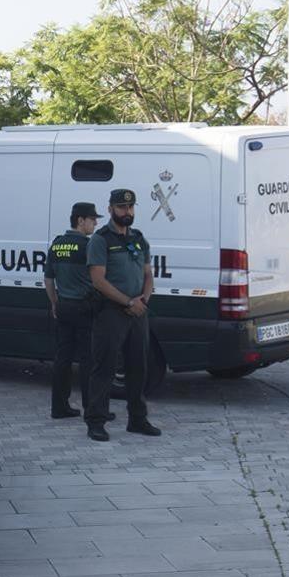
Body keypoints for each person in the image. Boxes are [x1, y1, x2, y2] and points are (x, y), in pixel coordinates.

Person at [85, 189, 161, 442]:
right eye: (121, 207)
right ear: (110, 209)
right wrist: (127, 301)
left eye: (130, 207)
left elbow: (148, 274)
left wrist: (143, 301)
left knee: (138, 367)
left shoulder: (139, 239)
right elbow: (98, 280)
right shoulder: (101, 239)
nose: (127, 212)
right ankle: (96, 421)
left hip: (138, 312)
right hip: (111, 312)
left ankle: (137, 420)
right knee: (104, 368)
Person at [44, 202, 105, 420]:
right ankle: (93, 409)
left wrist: (54, 303)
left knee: (63, 359)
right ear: (80, 220)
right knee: (89, 360)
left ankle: (59, 407)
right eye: (92, 219)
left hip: (63, 307)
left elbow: (48, 279)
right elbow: (99, 279)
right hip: (84, 308)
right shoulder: (88, 246)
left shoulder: (57, 244)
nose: (96, 223)